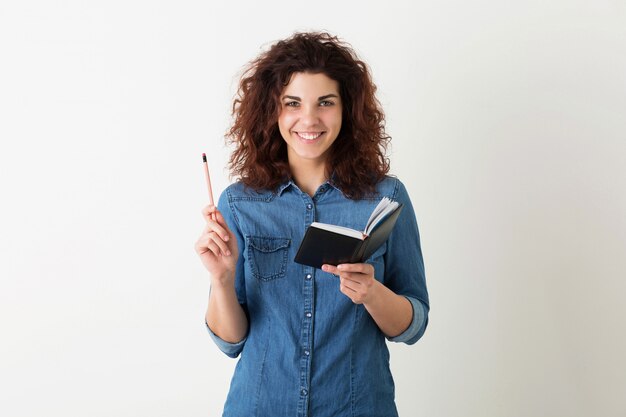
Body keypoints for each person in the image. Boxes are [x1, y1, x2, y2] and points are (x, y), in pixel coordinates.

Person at [195, 32, 429, 417]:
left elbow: (412, 324)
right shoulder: (239, 203)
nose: (309, 119)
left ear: (346, 109)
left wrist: (371, 293)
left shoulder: (387, 198)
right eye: (292, 103)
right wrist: (221, 278)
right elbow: (230, 341)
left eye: (325, 102)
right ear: (272, 111)